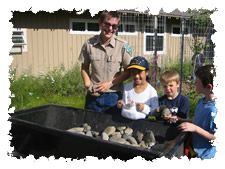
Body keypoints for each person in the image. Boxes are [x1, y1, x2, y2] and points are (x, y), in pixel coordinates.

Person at [79, 10, 132, 113]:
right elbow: (84, 67)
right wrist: (87, 84)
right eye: (107, 24)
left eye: (114, 26)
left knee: (112, 128)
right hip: (93, 96)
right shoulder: (89, 44)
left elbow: (128, 71)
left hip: (114, 96)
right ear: (100, 23)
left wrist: (110, 83)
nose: (110, 29)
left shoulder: (124, 46)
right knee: (89, 126)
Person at [179, 65, 217, 159]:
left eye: (197, 81)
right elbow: (199, 122)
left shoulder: (215, 110)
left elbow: (216, 137)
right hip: (195, 151)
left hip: (206, 157)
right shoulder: (202, 101)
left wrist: (195, 129)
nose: (194, 82)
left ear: (208, 87)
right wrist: (181, 120)